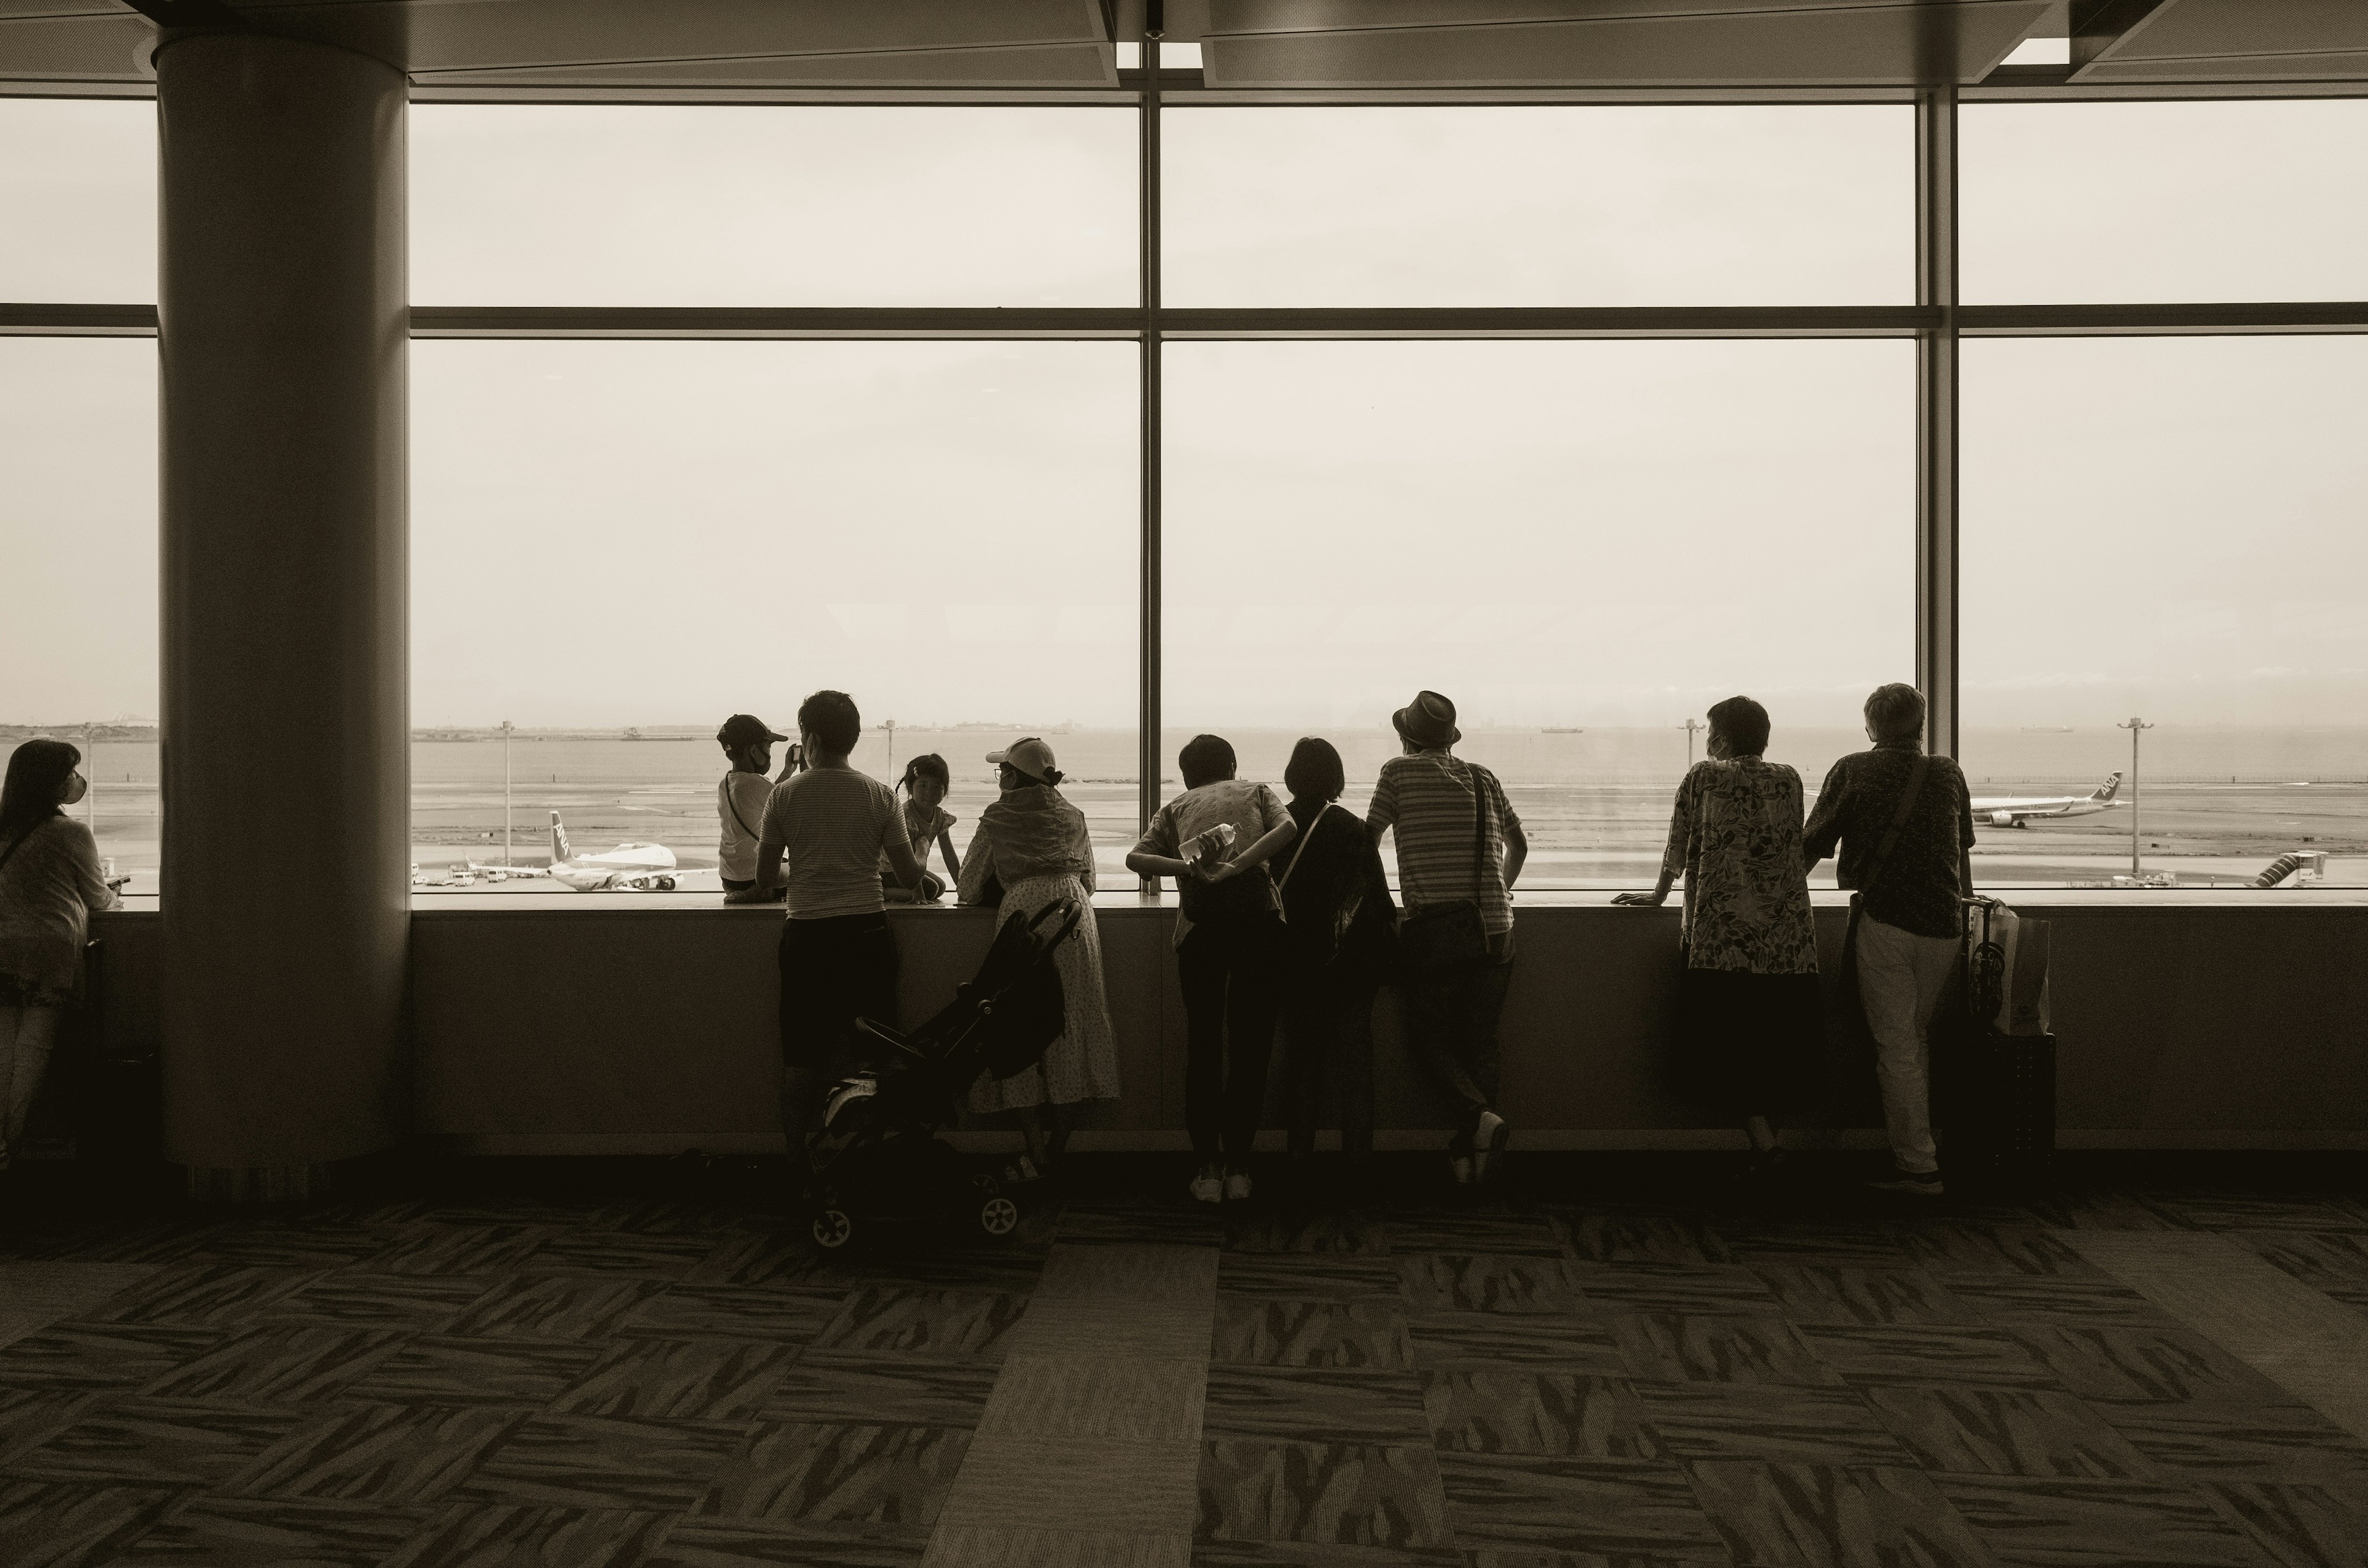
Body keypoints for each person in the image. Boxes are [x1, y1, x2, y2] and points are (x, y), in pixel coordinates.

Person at [1615, 697, 1821, 1179]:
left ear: (1722, 737)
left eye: (1710, 729)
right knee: (1781, 1046)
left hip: (1721, 937)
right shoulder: (1789, 778)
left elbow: (1679, 846)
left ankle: (1767, 1147)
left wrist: (1658, 895)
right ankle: (1771, 1143)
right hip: (1786, 939)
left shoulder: (1702, 778)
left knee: (1727, 1047)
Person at [725, 691, 927, 1165]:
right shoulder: (880, 795)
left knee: (801, 1061)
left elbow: (763, 876)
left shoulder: (784, 795)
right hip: (868, 936)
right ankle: (871, 1163)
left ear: (810, 738)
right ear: (852, 739)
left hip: (809, 938)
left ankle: (798, 1163)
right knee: (873, 1061)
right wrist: (923, 843)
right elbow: (911, 876)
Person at [1801, 682, 1978, 1198]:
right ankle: (1921, 1148)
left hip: (1887, 922)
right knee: (1915, 1037)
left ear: (1871, 727)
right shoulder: (1947, 772)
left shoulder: (1853, 768)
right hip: (1945, 924)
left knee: (1895, 1045)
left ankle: (1919, 1166)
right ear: (1920, 725)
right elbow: (1962, 847)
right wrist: (1964, 903)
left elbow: (1812, 846)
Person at [1126, 734, 1298, 1205]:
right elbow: (1288, 830)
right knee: (1251, 1047)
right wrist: (1239, 865)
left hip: (1200, 933)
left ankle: (1207, 1168)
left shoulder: (1175, 806)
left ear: (1186, 774)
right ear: (1233, 765)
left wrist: (1188, 870)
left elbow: (1135, 859)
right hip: (1259, 928)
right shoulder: (1256, 791)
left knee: (1203, 1046)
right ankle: (1240, 1166)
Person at [1367, 689, 1526, 1186]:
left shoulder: (1397, 772)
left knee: (1428, 1037)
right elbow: (1519, 844)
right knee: (1480, 1043)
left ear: (1405, 737)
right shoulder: (1483, 776)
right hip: (1496, 930)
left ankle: (1478, 1119)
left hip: (1436, 932)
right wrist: (1499, 893)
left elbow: (1366, 842)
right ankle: (1471, 1158)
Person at [956, 737, 1119, 1181]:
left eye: (1002, 772)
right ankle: (1056, 1149)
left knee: (1017, 1027)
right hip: (1072, 911)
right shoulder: (1073, 814)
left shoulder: (996, 816)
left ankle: (1036, 1154)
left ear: (1011, 776)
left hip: (1023, 915)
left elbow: (968, 888)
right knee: (1072, 1022)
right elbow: (1090, 880)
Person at [1275, 737, 1395, 1192]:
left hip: (1297, 966)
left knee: (1302, 1065)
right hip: (1350, 968)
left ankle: (1298, 1163)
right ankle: (1358, 1168)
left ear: (1292, 776)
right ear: (1337, 778)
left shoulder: (1278, 826)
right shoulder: (1352, 828)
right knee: (1355, 1067)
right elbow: (1378, 902)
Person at [0, 740, 122, 1172]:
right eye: (69, 774)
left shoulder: (4, 828)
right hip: (48, 953)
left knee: (4, 1051)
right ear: (51, 783)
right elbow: (99, 899)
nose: (76, 782)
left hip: (4, 949)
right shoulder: (71, 833)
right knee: (33, 1052)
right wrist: (113, 891)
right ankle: (8, 1148)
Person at [715, 713, 792, 900]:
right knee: (802, 866)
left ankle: (749, 893)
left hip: (729, 878)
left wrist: (788, 770)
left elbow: (770, 793)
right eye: (768, 747)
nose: (769, 754)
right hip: (752, 877)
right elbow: (787, 799)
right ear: (754, 751)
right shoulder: (756, 783)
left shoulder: (726, 782)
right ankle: (759, 892)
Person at [884, 753, 960, 904]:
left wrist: (962, 886)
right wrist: (918, 894)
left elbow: (949, 853)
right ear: (910, 788)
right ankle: (882, 892)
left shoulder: (940, 816)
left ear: (945, 790)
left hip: (909, 869)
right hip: (889, 870)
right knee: (931, 890)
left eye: (937, 786)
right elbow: (908, 859)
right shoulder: (906, 816)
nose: (929, 792)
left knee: (941, 887)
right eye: (923, 785)